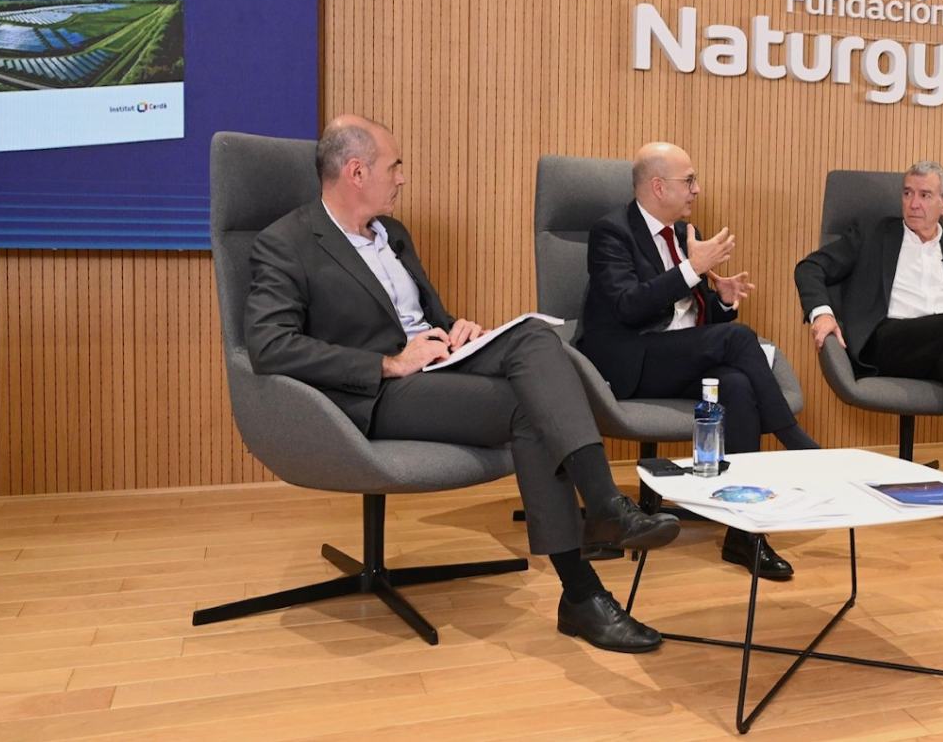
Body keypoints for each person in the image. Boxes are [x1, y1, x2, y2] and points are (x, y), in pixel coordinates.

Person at [245, 115, 678, 654]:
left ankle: (607, 509)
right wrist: (387, 363)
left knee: (539, 341)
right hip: (375, 391)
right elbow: (268, 345)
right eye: (394, 166)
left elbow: (419, 315)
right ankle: (582, 592)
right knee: (529, 411)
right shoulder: (285, 242)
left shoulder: (392, 235)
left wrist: (454, 330)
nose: (402, 177)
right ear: (356, 172)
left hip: (435, 362)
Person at [578, 141, 819, 580]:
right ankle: (797, 444)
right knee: (739, 339)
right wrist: (692, 270)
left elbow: (693, 311)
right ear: (657, 186)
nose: (697, 189)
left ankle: (743, 535)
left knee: (739, 387)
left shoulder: (685, 233)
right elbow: (629, 307)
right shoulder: (612, 231)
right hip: (631, 359)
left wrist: (721, 299)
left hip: (679, 357)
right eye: (688, 181)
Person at [794, 161, 943, 542]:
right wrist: (823, 313)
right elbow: (810, 268)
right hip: (887, 341)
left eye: (925, 195)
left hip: (940, 347)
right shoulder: (873, 234)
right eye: (908, 193)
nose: (913, 203)